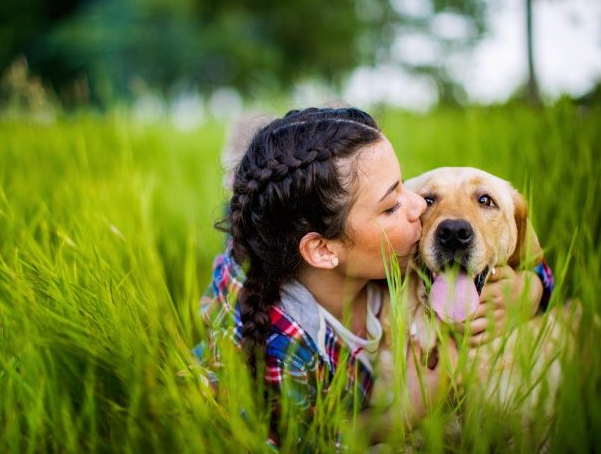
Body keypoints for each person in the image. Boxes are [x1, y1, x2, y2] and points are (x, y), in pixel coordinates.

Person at [195, 107, 554, 446]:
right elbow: (290, 444)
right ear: (324, 250)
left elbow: (523, 252)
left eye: (404, 187)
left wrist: (534, 288)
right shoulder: (281, 347)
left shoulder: (389, 258)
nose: (417, 207)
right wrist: (404, 413)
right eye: (392, 205)